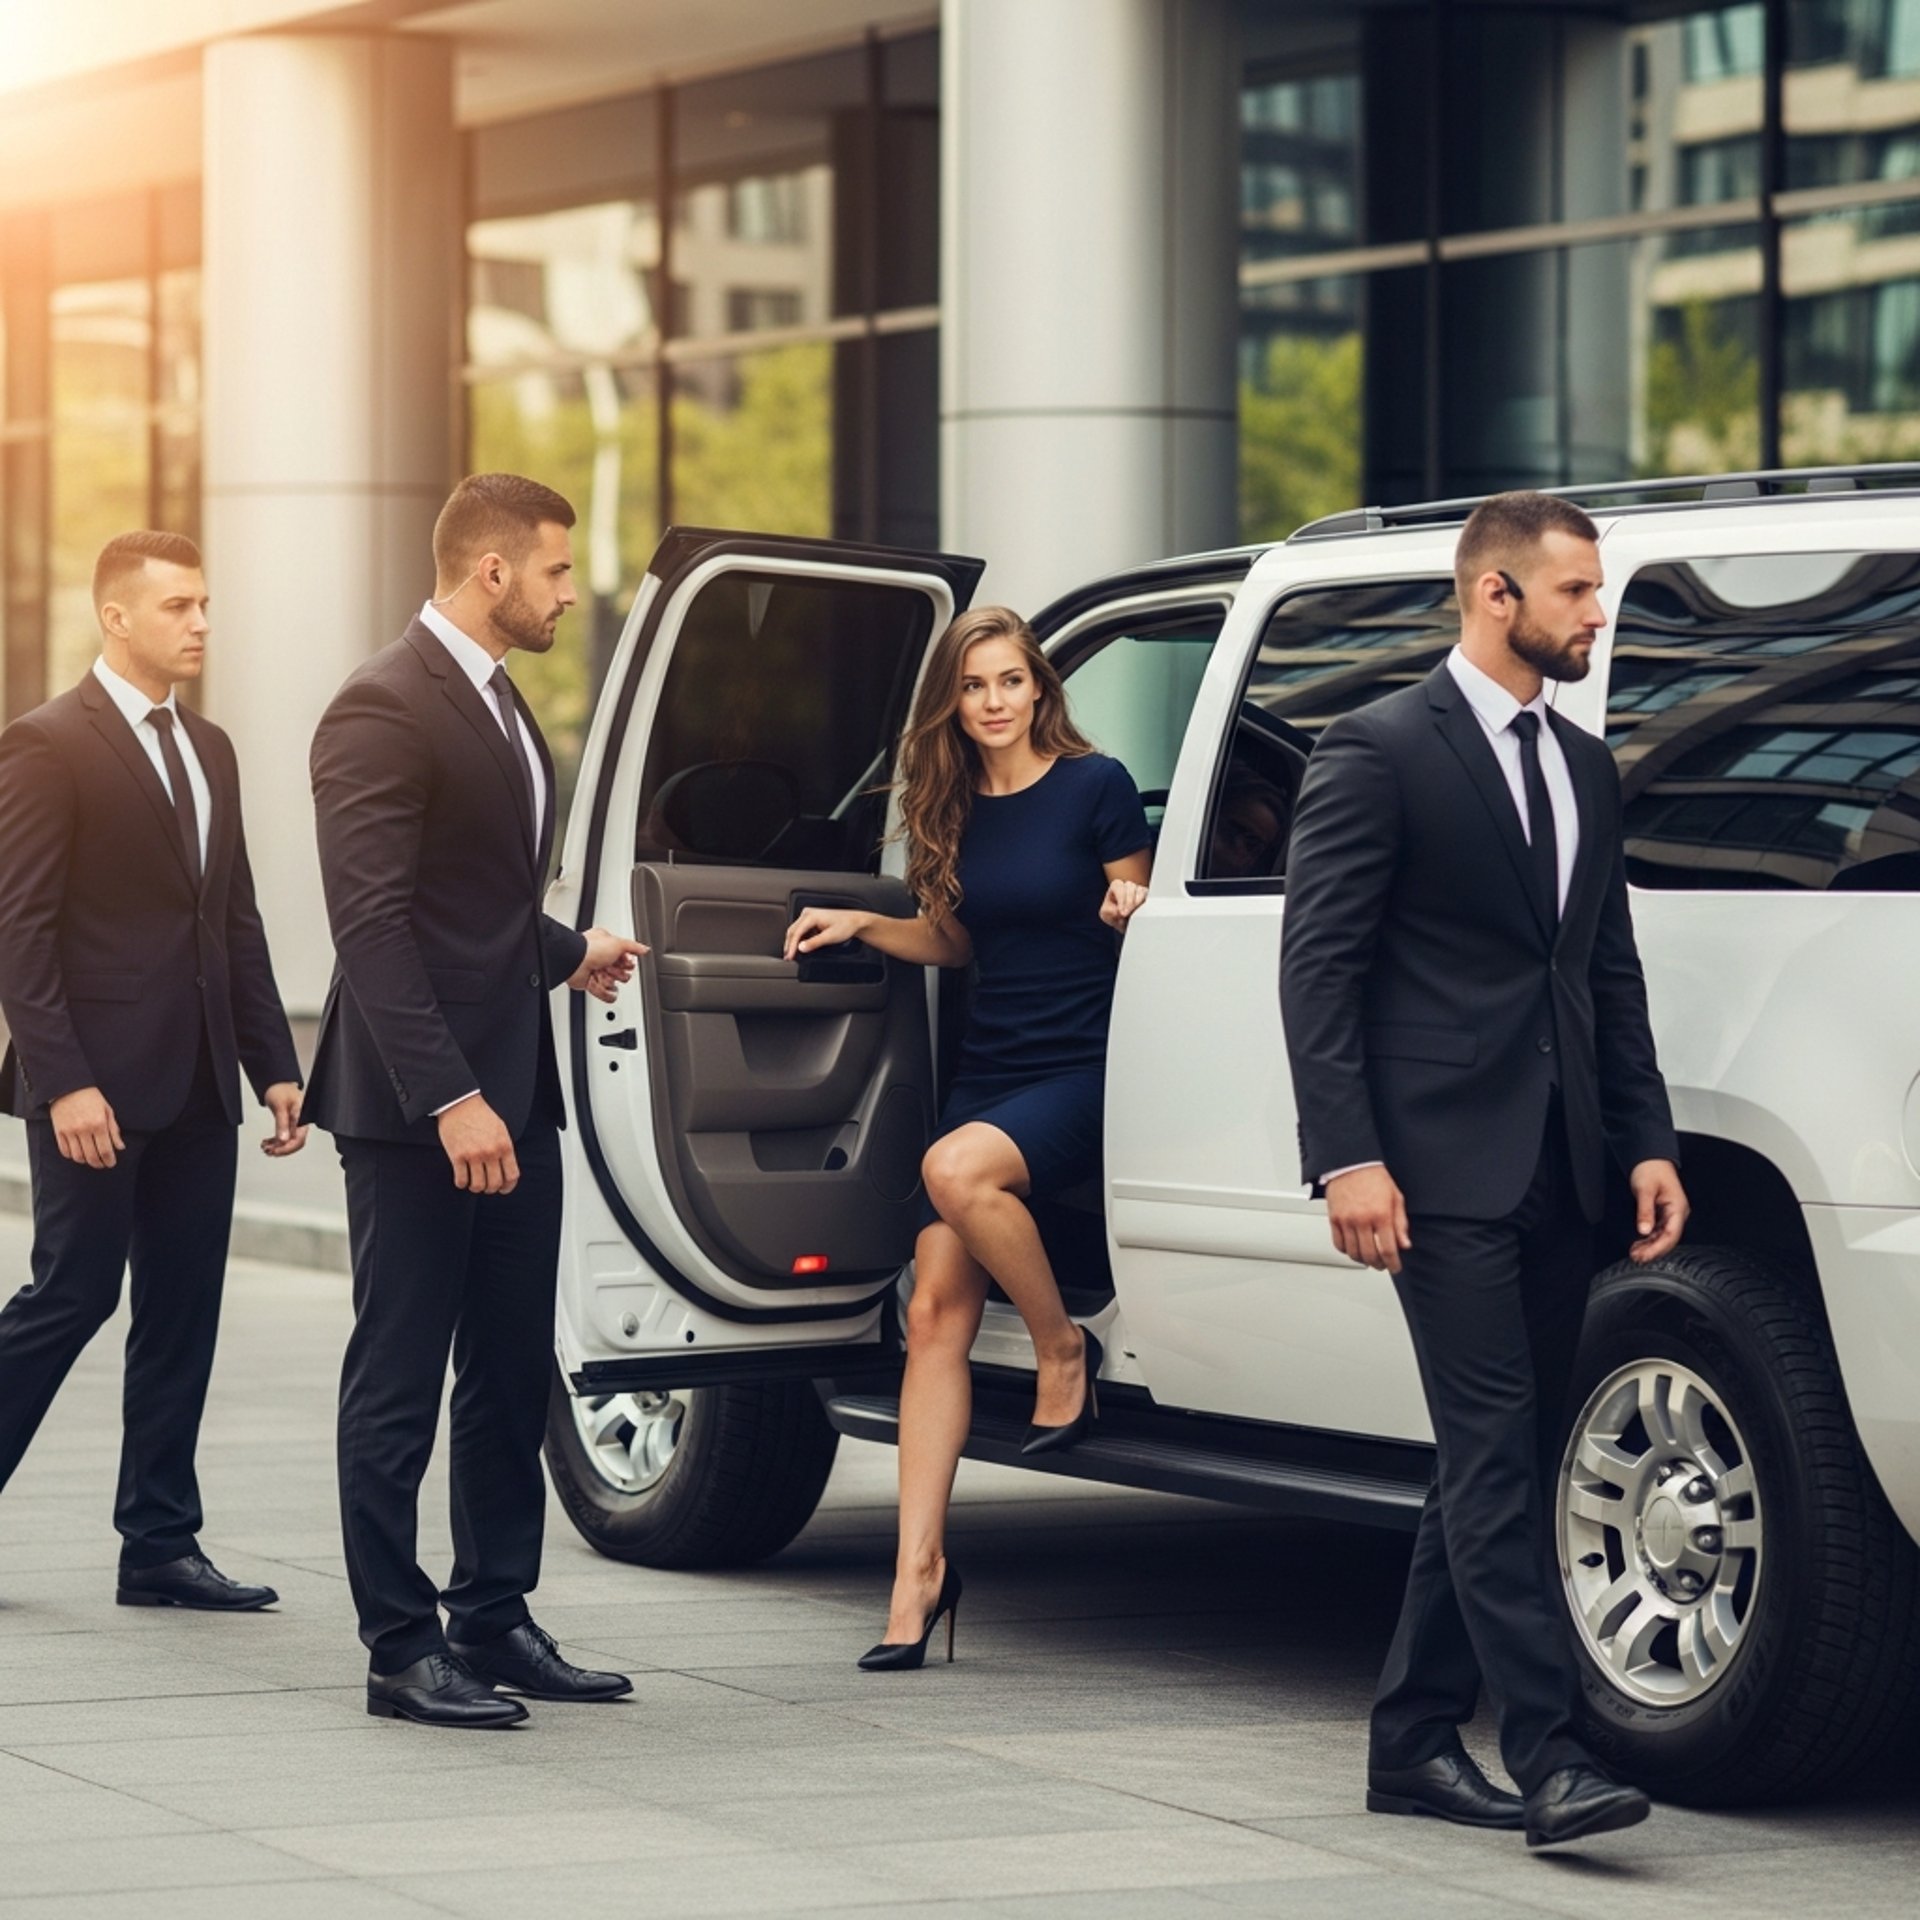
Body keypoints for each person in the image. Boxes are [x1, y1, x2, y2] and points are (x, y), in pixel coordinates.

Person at [1280, 492, 1689, 1848]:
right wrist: (1346, 1154)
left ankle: (1409, 1739)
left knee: (1492, 1454)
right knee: (1502, 1455)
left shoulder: (1584, 766)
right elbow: (1321, 968)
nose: (1598, 612)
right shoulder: (1380, 746)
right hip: (1436, 1170)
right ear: (1494, 597)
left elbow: (1602, 970)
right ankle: (1553, 1752)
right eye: (1575, 591)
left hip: (1564, 1163)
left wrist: (1645, 1137)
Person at [306, 473, 647, 1729]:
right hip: (417, 1110)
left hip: (515, 1084)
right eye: (556, 571)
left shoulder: (502, 704)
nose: (570, 591)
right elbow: (377, 927)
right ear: (491, 571)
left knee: (508, 1368)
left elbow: (475, 904)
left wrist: (568, 949)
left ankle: (493, 1615)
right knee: (397, 1376)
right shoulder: (379, 706)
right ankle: (401, 1648)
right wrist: (449, 1097)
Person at [782, 606, 1152, 1672]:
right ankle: (919, 1580)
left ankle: (1059, 1347)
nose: (993, 702)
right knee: (935, 1306)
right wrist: (865, 925)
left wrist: (1132, 897)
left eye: (1009, 682)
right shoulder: (950, 807)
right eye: (974, 686)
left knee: (953, 1170)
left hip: (1086, 1067)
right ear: (954, 701)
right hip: (993, 1068)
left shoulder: (1097, 784)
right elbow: (952, 938)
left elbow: (1135, 896)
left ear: (1041, 689)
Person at [0, 530, 305, 1611]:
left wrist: (273, 1060)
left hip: (195, 1085)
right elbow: (21, 931)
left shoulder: (211, 746)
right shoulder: (45, 745)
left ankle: (160, 1545)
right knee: (70, 1295)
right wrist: (65, 1079)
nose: (202, 624)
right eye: (178, 606)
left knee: (183, 1310)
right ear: (115, 617)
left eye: (207, 604)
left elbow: (232, 915)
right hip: (92, 1083)